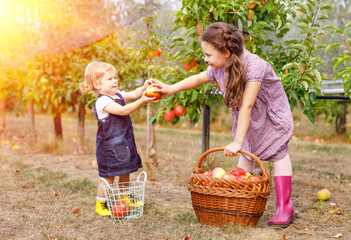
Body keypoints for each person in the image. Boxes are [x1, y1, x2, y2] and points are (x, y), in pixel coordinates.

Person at [154, 22, 294, 227]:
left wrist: (237, 142)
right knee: (246, 153)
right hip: (249, 119)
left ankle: (285, 206)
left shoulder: (254, 65)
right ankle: (241, 204)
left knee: (278, 152)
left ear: (227, 52)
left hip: (270, 115)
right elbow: (199, 77)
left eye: (208, 55)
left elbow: (248, 105)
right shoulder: (219, 67)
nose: (205, 59)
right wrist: (170, 88)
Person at [79, 61, 158, 217]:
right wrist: (142, 101)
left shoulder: (118, 95)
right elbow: (123, 110)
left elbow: (134, 94)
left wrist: (144, 88)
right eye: (110, 79)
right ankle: (101, 203)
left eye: (115, 77)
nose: (115, 81)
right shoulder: (103, 101)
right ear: (97, 85)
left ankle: (125, 198)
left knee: (125, 173)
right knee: (108, 177)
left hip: (123, 144)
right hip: (109, 148)